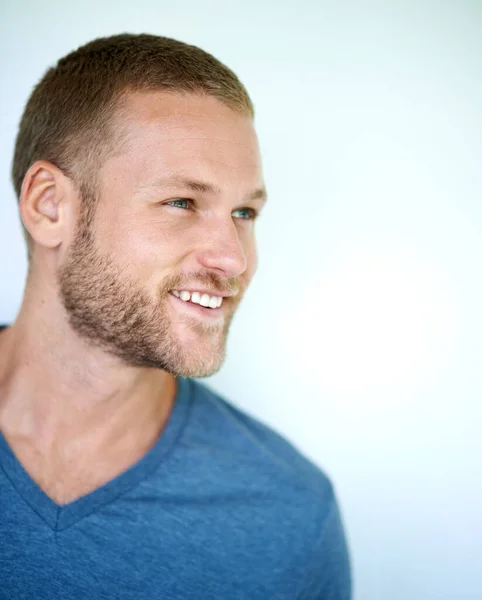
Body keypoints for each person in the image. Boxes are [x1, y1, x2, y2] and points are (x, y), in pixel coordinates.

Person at [0, 33, 351, 599]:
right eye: (182, 202)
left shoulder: (288, 515)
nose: (235, 258)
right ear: (49, 206)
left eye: (244, 212)